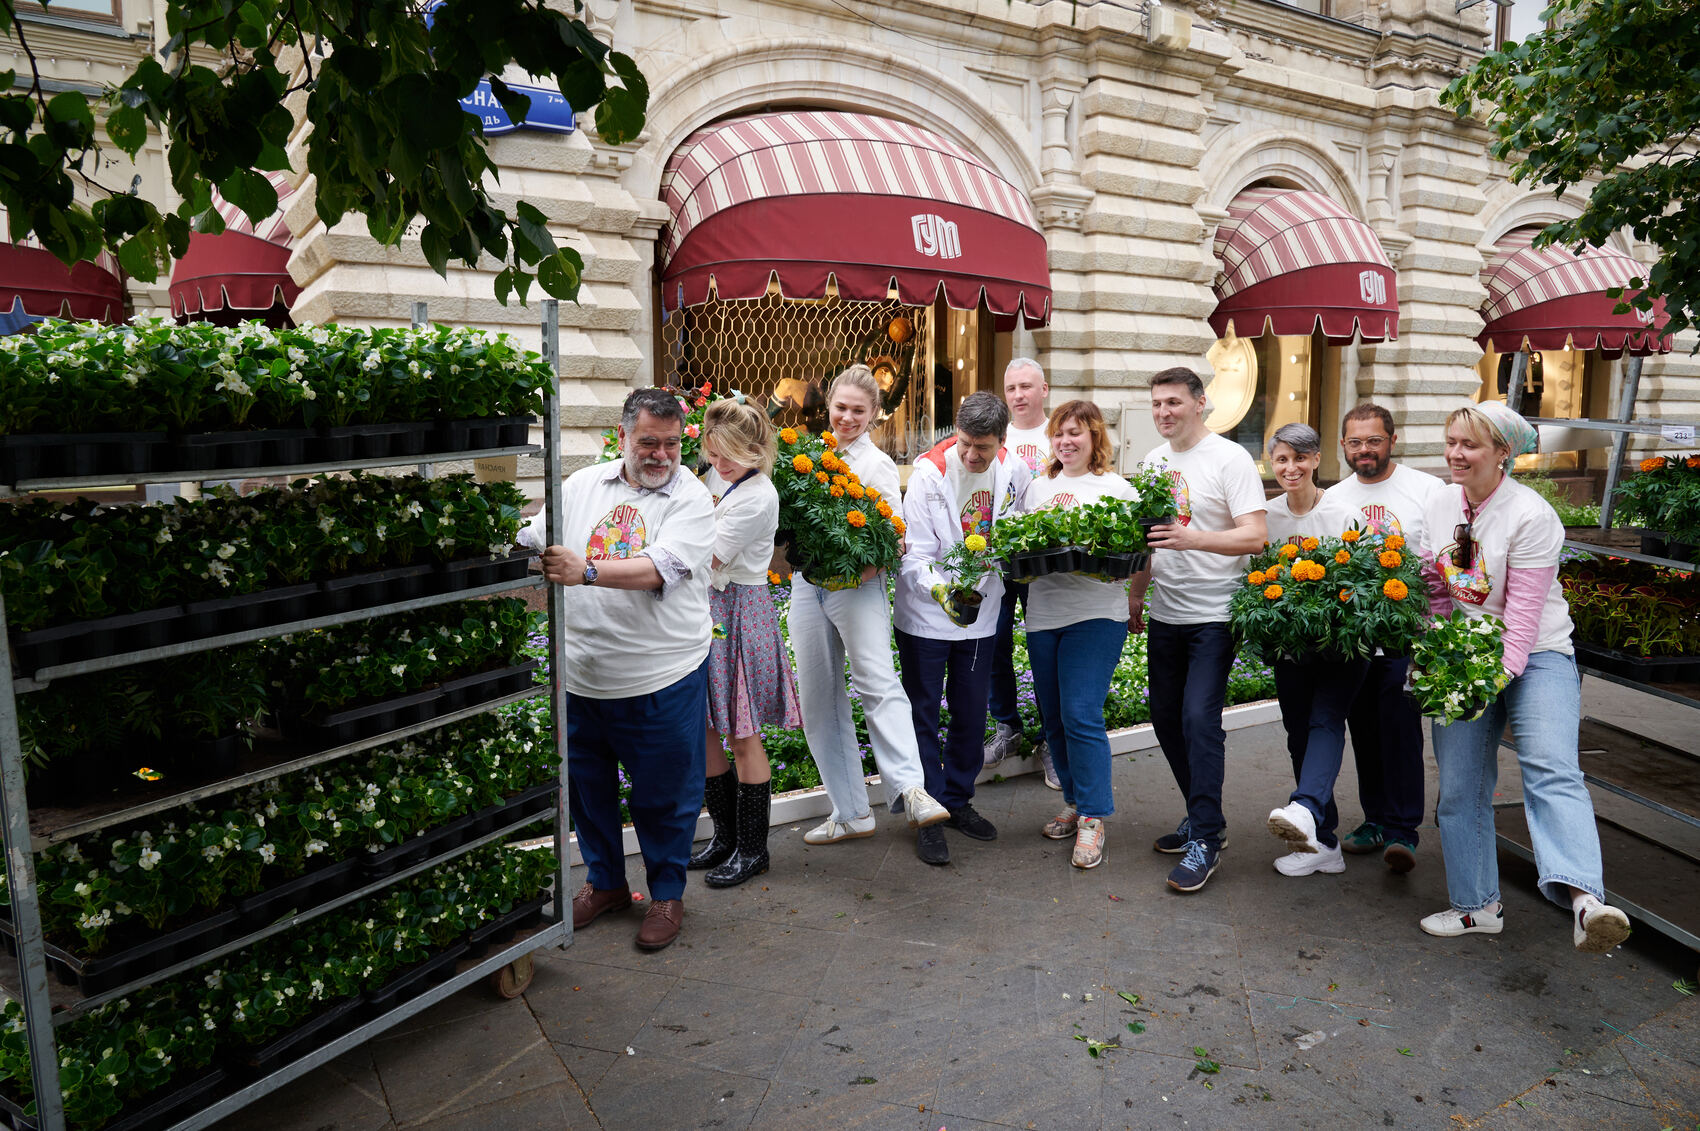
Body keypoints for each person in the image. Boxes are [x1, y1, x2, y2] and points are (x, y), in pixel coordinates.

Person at [1416, 401, 1631, 953]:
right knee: (1460, 786)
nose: (1456, 454)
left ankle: (1587, 903)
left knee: (1551, 769)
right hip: (1466, 650)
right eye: (1451, 441)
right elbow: (1442, 594)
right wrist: (1437, 647)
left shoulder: (1532, 515)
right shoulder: (1440, 502)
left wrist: (1489, 684)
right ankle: (1476, 907)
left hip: (1536, 654)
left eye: (1470, 445)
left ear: (1503, 453)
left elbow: (1524, 615)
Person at [527, 387, 715, 952]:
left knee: (664, 795)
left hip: (660, 676)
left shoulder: (692, 498)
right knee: (588, 791)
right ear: (624, 435)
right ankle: (605, 883)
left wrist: (586, 571)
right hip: (584, 675)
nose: (661, 454)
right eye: (649, 442)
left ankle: (666, 893)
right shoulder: (582, 485)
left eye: (672, 443)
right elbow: (532, 537)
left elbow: (663, 568)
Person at [789, 364, 950, 845]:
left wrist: (864, 571)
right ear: (829, 406)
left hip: (856, 587)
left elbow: (895, 537)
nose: (847, 417)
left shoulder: (877, 464)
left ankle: (913, 789)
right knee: (818, 698)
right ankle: (851, 811)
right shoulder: (813, 454)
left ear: (875, 414)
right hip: (807, 585)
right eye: (841, 408)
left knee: (876, 682)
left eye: (859, 411)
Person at [1130, 367, 1267, 893]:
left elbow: (1255, 537)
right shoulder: (1153, 462)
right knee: (1166, 718)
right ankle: (1203, 816)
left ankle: (1205, 839)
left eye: (1173, 402)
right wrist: (1137, 594)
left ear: (1200, 403)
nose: (1164, 412)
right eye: (1157, 403)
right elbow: (1151, 539)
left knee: (1197, 719)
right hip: (1167, 612)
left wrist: (1194, 540)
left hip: (1216, 614)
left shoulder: (1230, 459)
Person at [895, 392, 1032, 864]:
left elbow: (1020, 528)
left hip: (982, 615)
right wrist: (941, 593)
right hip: (926, 618)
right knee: (923, 715)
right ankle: (927, 811)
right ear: (956, 431)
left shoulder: (1014, 472)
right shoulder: (928, 474)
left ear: (1003, 441)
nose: (973, 456)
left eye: (984, 448)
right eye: (967, 444)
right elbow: (915, 553)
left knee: (972, 715)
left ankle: (958, 800)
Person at [1322, 403, 1445, 873]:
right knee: (1364, 732)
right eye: (1355, 442)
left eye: (1373, 440)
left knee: (1399, 732)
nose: (1364, 450)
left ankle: (1403, 831)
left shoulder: (1427, 490)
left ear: (1392, 440)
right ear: (1343, 447)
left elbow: (1443, 558)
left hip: (1405, 635)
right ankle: (1374, 821)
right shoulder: (1336, 496)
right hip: (1356, 638)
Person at [689, 400, 802, 888]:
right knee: (709, 725)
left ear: (756, 449)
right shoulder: (720, 477)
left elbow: (706, 558)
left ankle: (753, 850)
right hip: (711, 610)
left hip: (740, 611)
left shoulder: (758, 494)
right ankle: (724, 838)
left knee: (741, 731)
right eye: (713, 456)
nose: (719, 465)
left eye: (729, 456)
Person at [1027, 400, 1138, 870]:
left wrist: (1135, 597)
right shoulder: (1038, 488)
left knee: (1081, 714)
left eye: (1075, 433)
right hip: (1044, 614)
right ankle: (1074, 801)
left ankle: (1094, 816)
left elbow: (1138, 552)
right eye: (1058, 433)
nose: (1065, 441)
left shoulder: (1116, 489)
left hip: (1097, 614)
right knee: (1054, 718)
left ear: (1095, 438)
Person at [1258, 423, 1363, 879]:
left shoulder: (1342, 513)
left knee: (1324, 721)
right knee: (1298, 731)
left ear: (1317, 460)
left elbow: (1363, 582)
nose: (1291, 467)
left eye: (1300, 458)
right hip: (1291, 645)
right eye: (1281, 459)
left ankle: (1304, 807)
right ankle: (1323, 840)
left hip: (1342, 644)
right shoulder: (1267, 516)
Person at [985, 358, 1058, 788]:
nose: (1018, 395)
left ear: (1043, 389)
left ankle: (1050, 740)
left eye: (1027, 387)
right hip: (998, 561)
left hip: (1045, 564)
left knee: (1043, 648)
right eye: (1011, 388)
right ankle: (1007, 728)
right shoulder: (998, 436)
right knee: (994, 645)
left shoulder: (1058, 435)